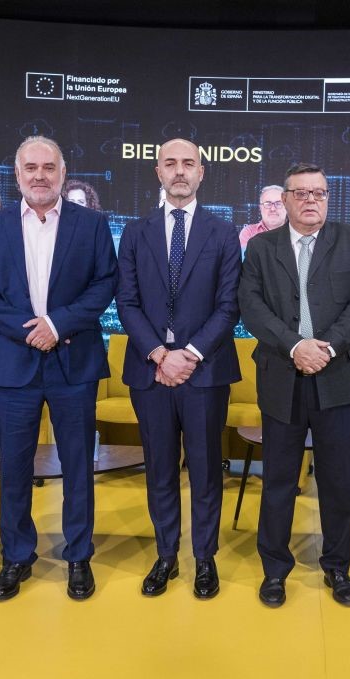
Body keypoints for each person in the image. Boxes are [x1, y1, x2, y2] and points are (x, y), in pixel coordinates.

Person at [0, 136, 118, 602]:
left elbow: (104, 284)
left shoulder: (91, 225)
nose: (39, 175)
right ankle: (17, 555)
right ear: (17, 175)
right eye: (30, 167)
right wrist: (30, 329)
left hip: (75, 362)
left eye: (48, 167)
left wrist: (57, 324)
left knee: (77, 464)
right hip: (15, 364)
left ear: (61, 171)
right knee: (14, 466)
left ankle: (78, 555)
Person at [238, 162, 350, 608]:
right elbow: (252, 306)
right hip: (281, 376)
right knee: (278, 480)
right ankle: (274, 570)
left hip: (335, 378)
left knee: (337, 480)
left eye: (319, 193)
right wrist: (296, 346)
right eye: (301, 193)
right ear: (287, 199)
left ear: (327, 198)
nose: (311, 200)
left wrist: (327, 347)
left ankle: (337, 568)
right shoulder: (261, 247)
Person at [116, 139, 241, 599]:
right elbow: (126, 302)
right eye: (171, 163)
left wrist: (188, 354)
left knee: (207, 470)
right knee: (160, 469)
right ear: (158, 171)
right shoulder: (135, 232)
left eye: (188, 163)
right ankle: (166, 555)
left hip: (204, 372)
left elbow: (229, 307)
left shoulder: (224, 233)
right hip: (150, 372)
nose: (180, 171)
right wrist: (158, 355)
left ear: (202, 172)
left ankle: (204, 558)